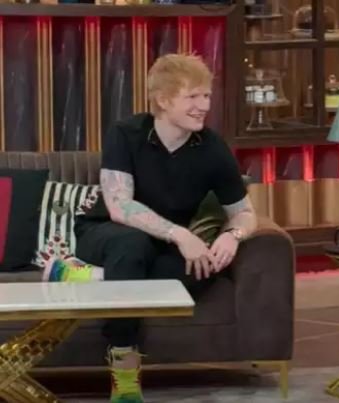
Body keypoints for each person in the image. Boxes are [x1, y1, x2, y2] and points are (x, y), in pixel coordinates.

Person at [64, 53, 256, 403]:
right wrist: (181, 234)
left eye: (206, 95)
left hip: (159, 247)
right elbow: (120, 206)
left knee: (202, 267)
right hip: (104, 233)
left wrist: (232, 235)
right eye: (192, 96)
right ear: (164, 100)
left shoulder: (212, 148)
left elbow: (243, 212)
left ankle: (89, 279)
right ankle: (125, 370)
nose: (204, 106)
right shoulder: (126, 133)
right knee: (131, 246)